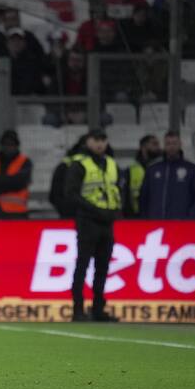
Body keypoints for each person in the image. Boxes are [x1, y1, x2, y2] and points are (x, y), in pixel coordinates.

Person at [65, 130, 121, 322]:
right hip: (88, 221)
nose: (99, 144)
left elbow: (116, 190)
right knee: (83, 264)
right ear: (87, 141)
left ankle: (98, 308)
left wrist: (115, 212)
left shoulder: (111, 163)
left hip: (107, 221)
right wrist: (96, 210)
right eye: (96, 140)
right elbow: (70, 194)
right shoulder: (79, 164)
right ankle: (78, 309)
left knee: (103, 266)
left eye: (103, 140)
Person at [139, 131, 195, 219]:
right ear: (164, 145)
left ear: (180, 144)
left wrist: (191, 217)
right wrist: (146, 217)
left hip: (182, 224)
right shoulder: (153, 170)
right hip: (156, 223)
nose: (171, 146)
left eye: (174, 143)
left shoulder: (192, 170)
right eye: (168, 143)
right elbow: (144, 197)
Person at [0, 129, 32, 218]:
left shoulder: (24, 162)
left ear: (16, 145)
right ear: (1, 145)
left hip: (17, 212)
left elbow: (20, 183)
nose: (8, 147)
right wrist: (10, 181)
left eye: (11, 144)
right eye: (6, 144)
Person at [121, 134, 161, 217]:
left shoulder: (163, 168)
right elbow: (126, 196)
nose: (158, 147)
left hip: (158, 215)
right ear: (143, 147)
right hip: (135, 217)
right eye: (154, 144)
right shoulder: (131, 170)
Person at [49, 134, 87, 218]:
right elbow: (55, 195)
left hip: (96, 217)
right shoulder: (65, 166)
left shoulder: (108, 163)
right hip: (73, 216)